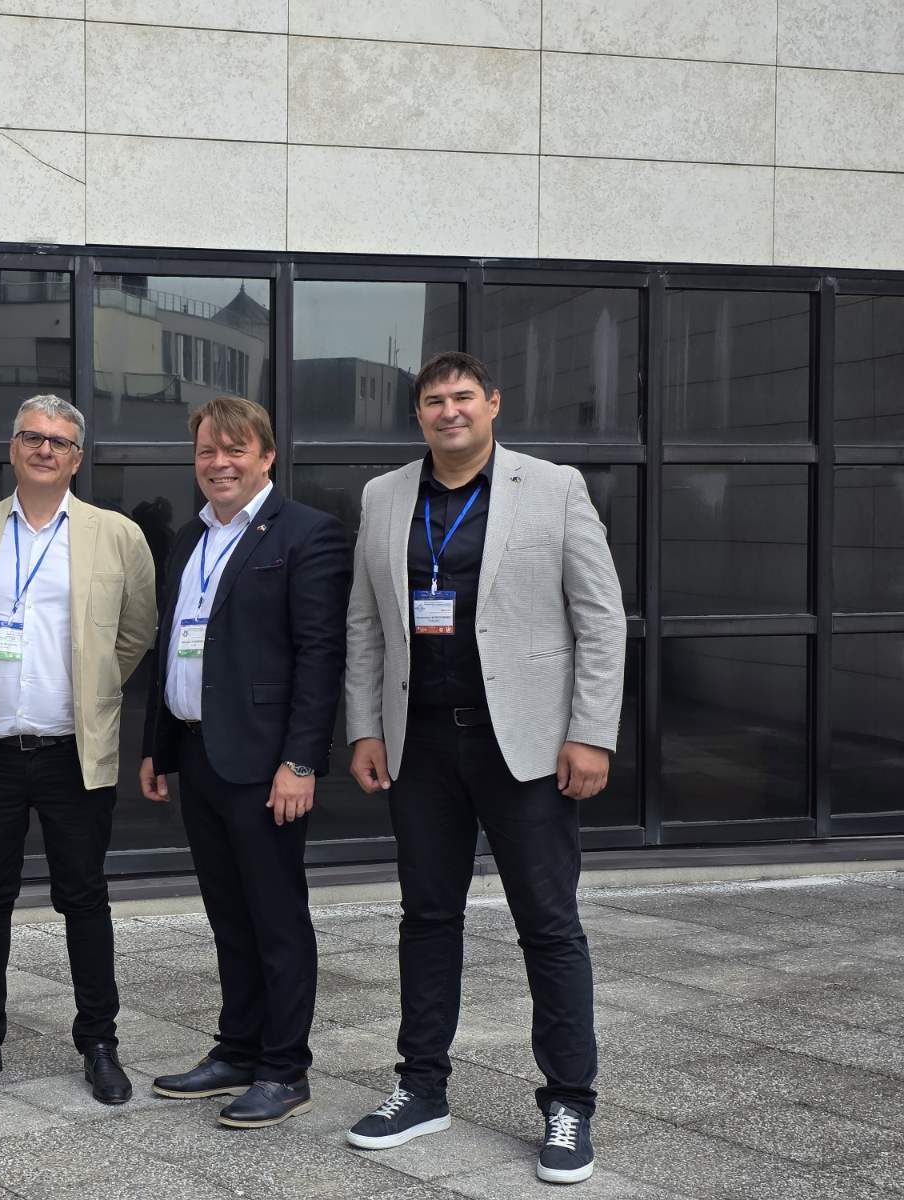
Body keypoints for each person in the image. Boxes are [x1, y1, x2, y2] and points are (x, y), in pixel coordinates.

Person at [342, 351, 625, 1185]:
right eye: (434, 400)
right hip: (421, 745)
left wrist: (591, 734)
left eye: (463, 396)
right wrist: (364, 728)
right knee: (427, 918)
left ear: (493, 404)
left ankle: (569, 1101)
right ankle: (421, 1088)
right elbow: (365, 622)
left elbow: (600, 619)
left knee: (549, 925)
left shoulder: (554, 488)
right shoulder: (384, 496)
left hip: (526, 748)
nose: (449, 410)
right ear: (418, 414)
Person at [0, 395, 157, 1104]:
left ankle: (99, 1042)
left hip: (72, 749)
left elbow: (136, 631)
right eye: (32, 436)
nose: (44, 449)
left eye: (59, 441)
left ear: (77, 457)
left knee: (84, 897)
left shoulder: (116, 535)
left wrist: (91, 685)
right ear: (13, 447)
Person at [140, 395, 350, 1129]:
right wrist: (158, 745)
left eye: (235, 450)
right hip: (199, 753)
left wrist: (301, 761)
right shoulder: (190, 537)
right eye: (207, 451)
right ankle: (237, 1048)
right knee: (229, 914)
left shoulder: (307, 533)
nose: (219, 463)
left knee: (276, 917)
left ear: (266, 456)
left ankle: (284, 1067)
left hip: (265, 764)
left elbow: (320, 656)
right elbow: (174, 642)